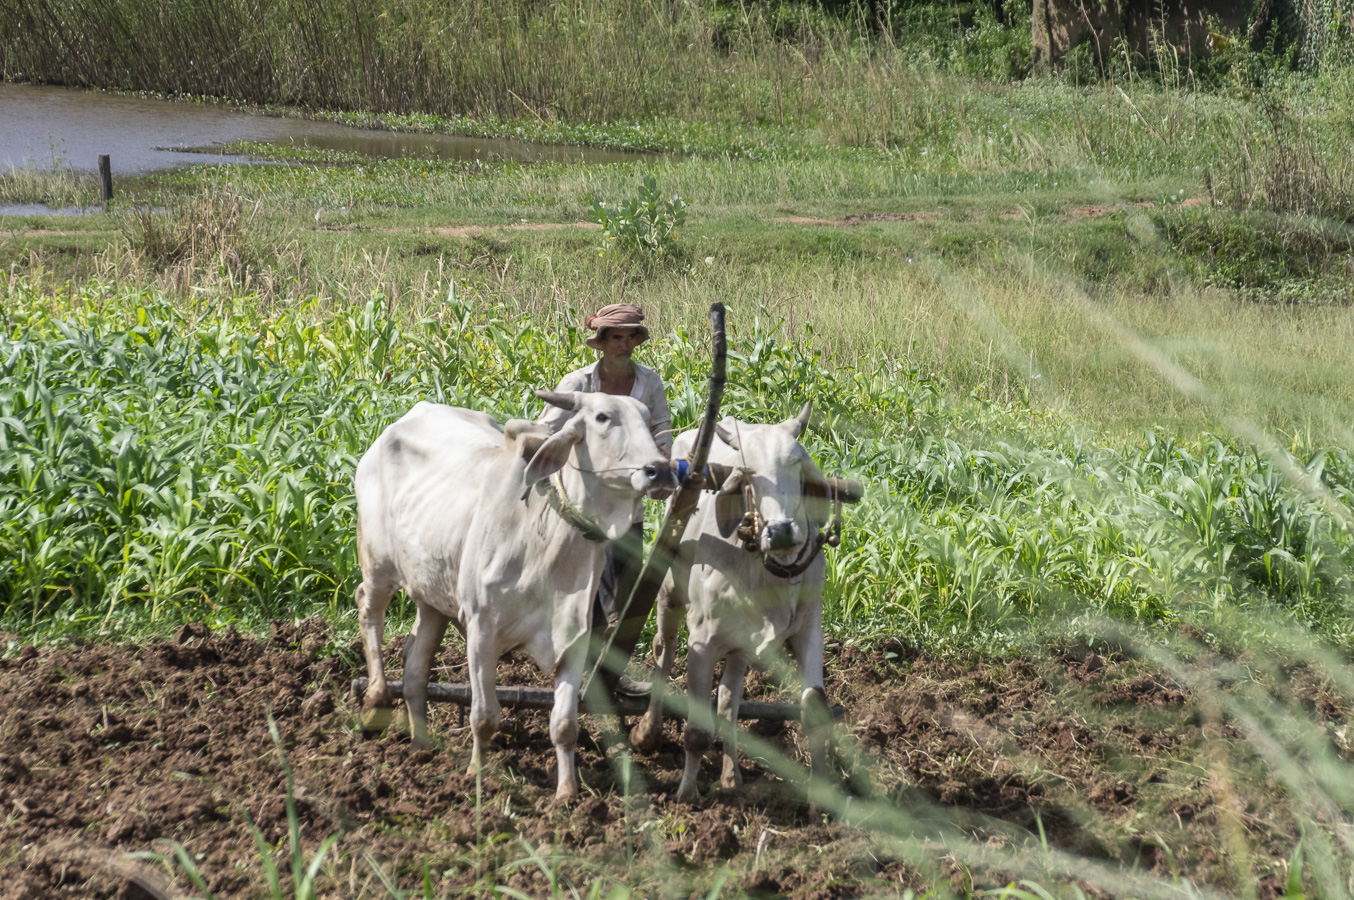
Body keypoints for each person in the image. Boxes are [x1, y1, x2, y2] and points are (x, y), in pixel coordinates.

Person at [539, 304, 672, 701]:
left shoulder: (648, 383)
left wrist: (663, 458)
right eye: (617, 337)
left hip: (625, 503)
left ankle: (610, 675)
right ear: (601, 342)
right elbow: (549, 430)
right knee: (579, 589)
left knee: (620, 591)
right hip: (577, 509)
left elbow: (660, 429)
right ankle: (570, 668)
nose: (626, 344)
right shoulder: (578, 384)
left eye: (632, 337)